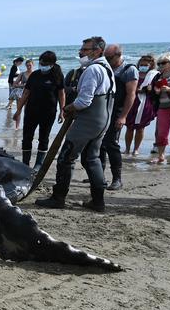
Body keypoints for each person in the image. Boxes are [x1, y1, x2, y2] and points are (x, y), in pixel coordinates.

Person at [34, 36, 114, 212]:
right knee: (92, 159)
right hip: (102, 121)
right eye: (82, 49)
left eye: (85, 49)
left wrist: (68, 107)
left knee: (66, 158)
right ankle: (98, 201)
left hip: (88, 121)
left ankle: (58, 197)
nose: (81, 52)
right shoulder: (107, 68)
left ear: (98, 51)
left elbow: (84, 101)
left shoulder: (93, 69)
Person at [14, 51, 65, 167]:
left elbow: (61, 94)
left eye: (44, 63)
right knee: (27, 137)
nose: (42, 65)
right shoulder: (35, 75)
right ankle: (25, 163)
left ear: (52, 64)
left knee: (44, 137)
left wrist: (62, 111)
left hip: (49, 112)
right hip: (31, 111)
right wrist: (18, 111)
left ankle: (38, 164)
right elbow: (26, 93)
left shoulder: (57, 76)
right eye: (40, 63)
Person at [97, 44, 137, 190]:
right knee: (98, 144)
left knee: (111, 144)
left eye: (110, 57)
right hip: (102, 111)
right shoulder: (105, 68)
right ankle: (98, 176)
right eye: (105, 57)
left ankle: (117, 179)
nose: (107, 60)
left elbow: (131, 95)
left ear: (119, 55)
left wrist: (123, 116)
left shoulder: (129, 70)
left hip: (117, 112)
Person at [123, 54, 159, 156]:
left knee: (140, 128)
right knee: (129, 127)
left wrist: (149, 90)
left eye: (145, 65)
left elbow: (156, 90)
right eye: (141, 64)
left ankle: (136, 149)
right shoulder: (134, 73)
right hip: (132, 102)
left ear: (151, 65)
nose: (143, 66)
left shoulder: (154, 75)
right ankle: (127, 149)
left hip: (145, 103)